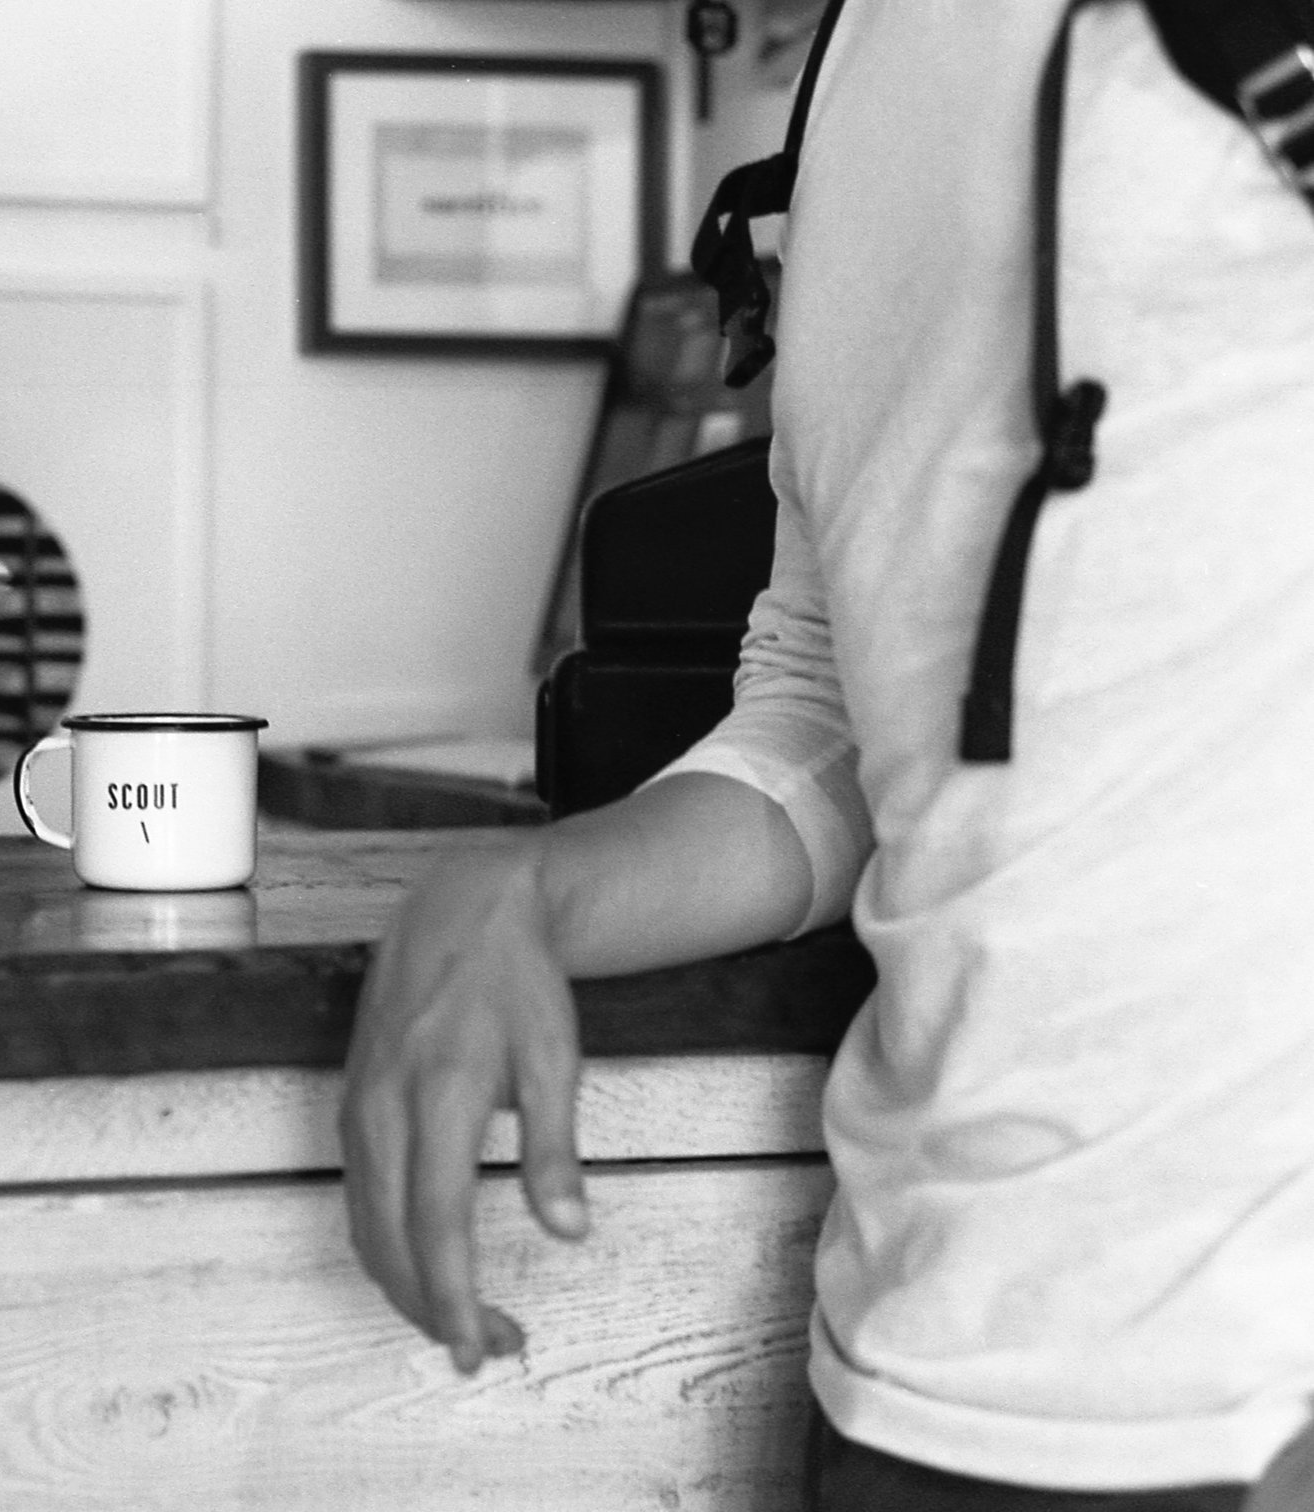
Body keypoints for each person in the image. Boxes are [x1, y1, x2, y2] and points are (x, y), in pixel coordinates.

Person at [343, 3, 1314, 1508]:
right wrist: (528, 891)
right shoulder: (865, 61)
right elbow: (844, 699)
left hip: (1258, 1401)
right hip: (922, 1366)